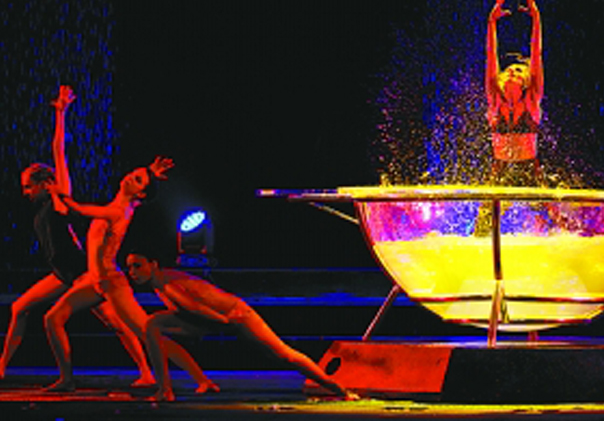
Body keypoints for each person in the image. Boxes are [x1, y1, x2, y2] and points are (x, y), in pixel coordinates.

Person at [0, 86, 154, 386]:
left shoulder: (60, 199)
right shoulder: (43, 207)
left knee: (115, 321)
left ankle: (147, 372)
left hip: (82, 273)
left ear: (44, 183)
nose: (25, 192)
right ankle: (3, 367)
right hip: (62, 273)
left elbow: (59, 151)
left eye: (28, 186)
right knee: (19, 308)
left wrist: (60, 113)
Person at [42, 157, 215, 396]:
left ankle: (201, 379)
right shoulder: (123, 205)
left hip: (111, 284)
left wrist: (57, 192)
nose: (130, 177)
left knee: (148, 334)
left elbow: (78, 209)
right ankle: (67, 379)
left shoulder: (117, 211)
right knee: (53, 317)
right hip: (95, 281)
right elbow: (137, 191)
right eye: (133, 173)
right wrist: (150, 173)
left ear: (140, 193)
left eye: (137, 179)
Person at [124, 250, 356, 402]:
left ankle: (338, 389)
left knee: (284, 354)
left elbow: (194, 307)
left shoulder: (167, 283)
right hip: (212, 320)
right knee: (153, 325)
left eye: (138, 266)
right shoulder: (159, 284)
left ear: (153, 264)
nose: (133, 272)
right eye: (130, 267)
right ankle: (168, 389)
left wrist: (224, 320)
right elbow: (191, 312)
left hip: (235, 316)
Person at [485, 0, 543, 186]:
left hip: (530, 172)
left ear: (526, 81)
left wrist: (536, 18)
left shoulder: (531, 100)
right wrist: (492, 22)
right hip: (499, 171)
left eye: (518, 70)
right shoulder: (494, 99)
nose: (511, 71)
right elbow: (490, 54)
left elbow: (536, 54)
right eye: (508, 69)